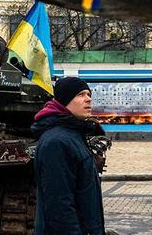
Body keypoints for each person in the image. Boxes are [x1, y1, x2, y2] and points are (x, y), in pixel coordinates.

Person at [32, 76, 105, 235]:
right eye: (81, 95)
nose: (88, 100)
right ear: (64, 101)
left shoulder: (74, 135)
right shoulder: (57, 142)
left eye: (89, 94)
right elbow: (60, 206)